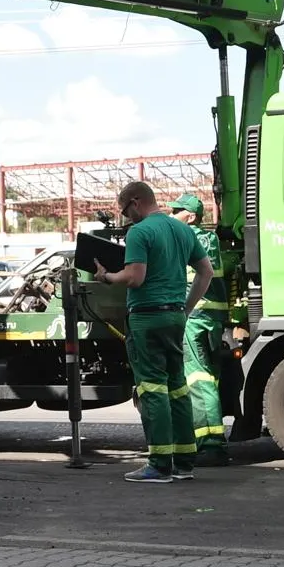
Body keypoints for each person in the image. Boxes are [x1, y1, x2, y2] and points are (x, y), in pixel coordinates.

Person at [92, 180, 214, 483]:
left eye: (125, 211)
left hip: (147, 318)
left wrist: (106, 276)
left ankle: (159, 465)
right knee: (178, 387)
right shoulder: (184, 230)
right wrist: (185, 308)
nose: (126, 218)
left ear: (135, 202)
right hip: (174, 316)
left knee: (153, 389)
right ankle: (184, 462)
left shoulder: (140, 232)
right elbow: (206, 272)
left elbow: (135, 277)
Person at [168, 193, 235, 467]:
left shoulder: (184, 238)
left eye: (177, 211)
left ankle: (210, 444)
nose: (172, 215)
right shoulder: (212, 240)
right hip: (213, 317)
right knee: (210, 379)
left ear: (191, 217)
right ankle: (210, 441)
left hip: (194, 315)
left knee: (197, 379)